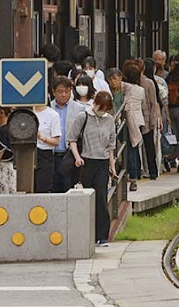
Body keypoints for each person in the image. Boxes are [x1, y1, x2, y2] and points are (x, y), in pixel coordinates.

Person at [72, 89, 119, 246]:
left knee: (101, 197)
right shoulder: (83, 117)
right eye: (101, 108)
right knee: (85, 198)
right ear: (95, 104)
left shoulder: (109, 120)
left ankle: (102, 235)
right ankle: (85, 234)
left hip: (102, 162)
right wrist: (77, 157)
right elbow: (72, 139)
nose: (103, 111)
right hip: (86, 161)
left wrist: (113, 167)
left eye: (106, 109)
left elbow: (111, 146)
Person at [35, 77, 86, 193]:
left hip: (68, 155)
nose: (64, 95)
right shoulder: (48, 109)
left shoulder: (79, 109)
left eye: (67, 91)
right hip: (49, 155)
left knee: (68, 186)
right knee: (52, 187)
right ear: (53, 92)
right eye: (60, 91)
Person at [118, 60, 149, 182]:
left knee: (129, 148)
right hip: (138, 120)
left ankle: (132, 173)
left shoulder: (124, 87)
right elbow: (144, 105)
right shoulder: (141, 90)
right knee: (135, 146)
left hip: (128, 120)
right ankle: (137, 171)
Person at [139, 56, 164, 180]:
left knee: (142, 146)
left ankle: (143, 170)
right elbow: (154, 103)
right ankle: (152, 170)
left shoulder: (146, 82)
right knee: (150, 145)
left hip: (142, 117)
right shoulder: (150, 82)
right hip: (147, 118)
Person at [148, 58, 169, 177]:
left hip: (143, 117)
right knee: (157, 144)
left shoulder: (141, 81)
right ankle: (157, 166)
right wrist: (164, 116)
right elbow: (162, 101)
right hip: (155, 116)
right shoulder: (158, 82)